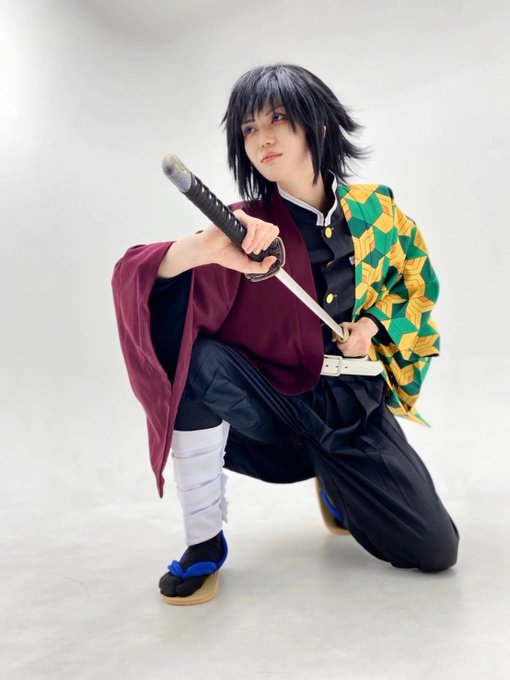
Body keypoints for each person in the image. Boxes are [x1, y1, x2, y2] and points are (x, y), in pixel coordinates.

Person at [111, 63, 459, 605]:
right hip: (272, 406)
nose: (262, 139)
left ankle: (337, 483)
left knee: (436, 549)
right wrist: (200, 250)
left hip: (352, 407)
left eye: (277, 119)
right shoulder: (243, 229)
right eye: (249, 128)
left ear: (318, 125)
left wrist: (370, 325)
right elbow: (135, 273)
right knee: (192, 358)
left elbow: (413, 282)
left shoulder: (377, 210)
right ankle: (204, 539)